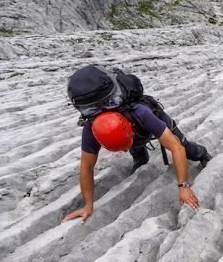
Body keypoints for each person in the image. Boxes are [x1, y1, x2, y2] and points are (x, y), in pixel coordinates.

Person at [63, 65, 211, 223]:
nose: (124, 150)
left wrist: (184, 187)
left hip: (146, 124)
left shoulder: (140, 112)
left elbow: (176, 148)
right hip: (134, 134)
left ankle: (203, 154)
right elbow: (86, 166)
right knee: (139, 157)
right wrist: (88, 205)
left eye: (125, 146)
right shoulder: (91, 129)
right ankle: (140, 159)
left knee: (185, 148)